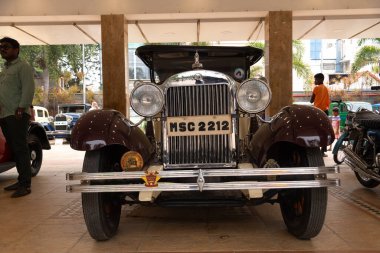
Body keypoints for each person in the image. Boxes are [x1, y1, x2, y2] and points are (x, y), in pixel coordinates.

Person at [0, 37, 35, 198]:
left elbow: (28, 89)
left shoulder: (23, 67)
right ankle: (20, 180)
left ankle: (25, 185)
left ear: (16, 49)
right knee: (14, 149)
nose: (2, 50)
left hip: (17, 114)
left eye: (6, 47)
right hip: (5, 114)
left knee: (20, 148)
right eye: (1, 47)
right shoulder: (5, 69)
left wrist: (21, 108)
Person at [310, 73, 330, 157]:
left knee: (315, 130)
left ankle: (314, 149)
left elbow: (311, 100)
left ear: (320, 80)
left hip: (317, 112)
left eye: (316, 79)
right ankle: (323, 151)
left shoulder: (316, 88)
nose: (315, 81)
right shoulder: (326, 88)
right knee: (324, 131)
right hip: (325, 112)